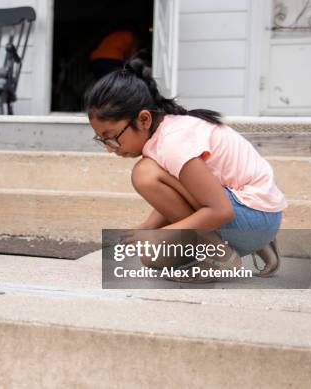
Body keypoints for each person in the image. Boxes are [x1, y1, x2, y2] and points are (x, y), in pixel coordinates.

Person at [85, 58, 287, 282]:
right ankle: (259, 244)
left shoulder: (174, 143)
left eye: (112, 138)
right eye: (101, 140)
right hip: (257, 216)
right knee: (153, 257)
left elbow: (221, 211)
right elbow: (186, 190)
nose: (110, 149)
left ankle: (222, 258)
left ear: (143, 119)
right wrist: (147, 228)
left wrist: (161, 233)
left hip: (251, 215)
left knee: (145, 174)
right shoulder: (168, 132)